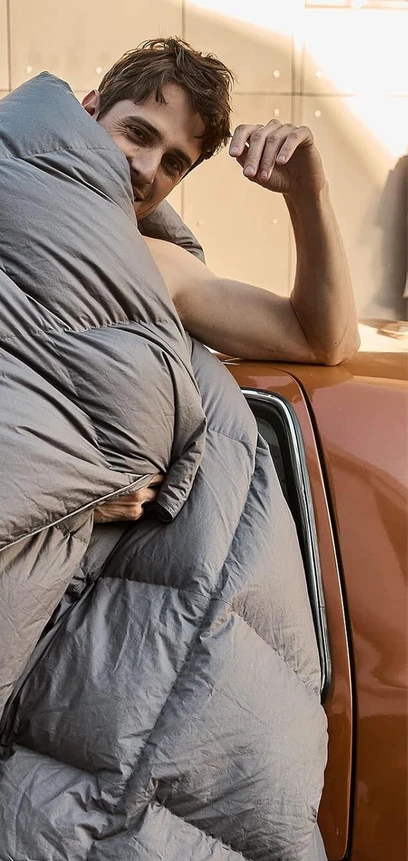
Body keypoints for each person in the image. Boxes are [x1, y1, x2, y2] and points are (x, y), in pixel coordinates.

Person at [84, 38, 359, 522]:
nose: (146, 170)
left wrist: (308, 196)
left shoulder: (155, 265)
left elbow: (324, 341)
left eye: (173, 163)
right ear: (89, 111)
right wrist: (69, 492)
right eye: (138, 134)